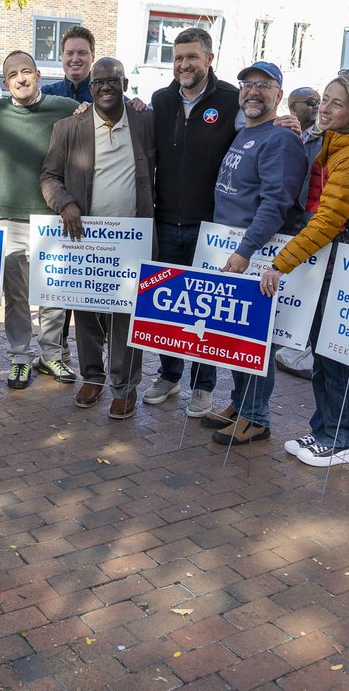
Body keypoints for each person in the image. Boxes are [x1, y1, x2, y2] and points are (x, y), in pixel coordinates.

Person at [260, 69, 349, 467]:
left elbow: (328, 219)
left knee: (333, 352)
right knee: (326, 350)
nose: (324, 108)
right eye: (324, 99)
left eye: (336, 102)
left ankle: (337, 439)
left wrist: (280, 265)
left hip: (343, 253)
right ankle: (327, 431)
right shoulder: (341, 140)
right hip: (338, 253)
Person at [41, 58, 156, 419]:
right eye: (99, 82)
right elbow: (49, 177)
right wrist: (65, 204)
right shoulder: (68, 127)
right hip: (85, 240)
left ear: (124, 82)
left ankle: (124, 386)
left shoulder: (144, 121)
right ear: (89, 88)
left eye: (113, 80)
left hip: (131, 238)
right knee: (87, 314)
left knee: (126, 316)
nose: (106, 87)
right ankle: (93, 377)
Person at [143, 28, 242, 416]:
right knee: (167, 307)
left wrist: (285, 122)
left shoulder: (232, 100)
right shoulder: (160, 100)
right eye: (178, 57)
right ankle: (169, 375)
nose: (184, 64)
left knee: (205, 308)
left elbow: (259, 128)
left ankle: (203, 387)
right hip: (165, 220)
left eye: (192, 57)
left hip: (211, 227)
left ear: (209, 59)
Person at [209, 61, 308, 447]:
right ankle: (239, 403)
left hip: (255, 252)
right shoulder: (245, 130)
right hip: (229, 247)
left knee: (254, 338)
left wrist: (245, 250)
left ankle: (256, 416)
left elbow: (276, 202)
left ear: (279, 95)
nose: (254, 91)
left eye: (264, 86)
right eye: (248, 84)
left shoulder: (280, 139)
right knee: (235, 334)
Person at [0, 51, 80, 388]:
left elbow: (98, 115)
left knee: (53, 292)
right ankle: (20, 356)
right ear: (5, 82)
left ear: (37, 74)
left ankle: (51, 355)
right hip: (9, 216)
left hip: (52, 217)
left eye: (26, 72)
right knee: (17, 294)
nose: (21, 79)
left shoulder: (63, 107)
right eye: (13, 75)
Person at [273, 86, 324, 381]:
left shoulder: (325, 139)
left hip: (310, 226)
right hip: (288, 224)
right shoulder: (286, 135)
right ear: (292, 107)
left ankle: (305, 349)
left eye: (321, 101)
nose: (317, 107)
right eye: (311, 102)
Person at [41, 24, 95, 104]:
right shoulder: (46, 95)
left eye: (82, 53)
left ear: (93, 57)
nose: (75, 59)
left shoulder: (101, 97)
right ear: (62, 57)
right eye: (70, 53)